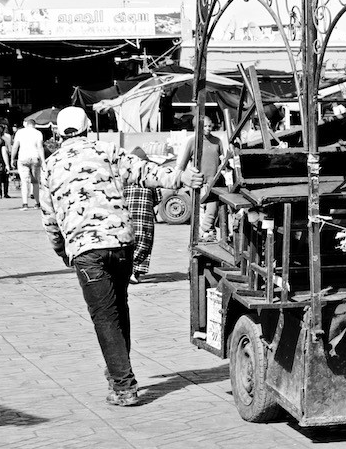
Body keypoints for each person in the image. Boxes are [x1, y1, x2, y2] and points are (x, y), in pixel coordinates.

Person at [39, 107, 204, 407]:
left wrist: (62, 250)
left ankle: (124, 385)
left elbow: (49, 217)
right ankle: (118, 368)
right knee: (119, 306)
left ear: (57, 133)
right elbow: (147, 172)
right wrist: (180, 178)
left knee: (104, 316)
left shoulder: (50, 165)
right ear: (89, 128)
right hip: (121, 243)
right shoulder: (108, 150)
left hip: (85, 249)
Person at [177, 114, 224, 242]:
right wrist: (182, 178)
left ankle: (207, 231)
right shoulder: (193, 142)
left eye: (210, 126)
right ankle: (201, 237)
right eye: (205, 126)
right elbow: (182, 164)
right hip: (198, 183)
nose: (208, 128)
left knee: (212, 211)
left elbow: (223, 161)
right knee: (199, 213)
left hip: (213, 183)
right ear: (198, 127)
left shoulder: (217, 141)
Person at [123, 147, 162, 284]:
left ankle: (127, 271)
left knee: (127, 245)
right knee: (144, 243)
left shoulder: (125, 178)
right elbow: (158, 198)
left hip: (128, 218)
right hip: (145, 218)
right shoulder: (150, 178)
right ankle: (135, 272)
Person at [12, 117, 45, 210]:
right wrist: (43, 161)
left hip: (23, 158)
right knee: (35, 182)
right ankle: (37, 203)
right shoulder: (38, 133)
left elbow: (15, 146)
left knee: (24, 181)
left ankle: (25, 203)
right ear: (35, 125)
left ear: (26, 124)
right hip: (35, 157)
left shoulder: (20, 132)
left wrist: (12, 158)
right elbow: (40, 147)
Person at [0, 122, 13, 198]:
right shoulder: (6, 138)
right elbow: (9, 150)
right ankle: (5, 193)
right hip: (4, 158)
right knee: (6, 177)